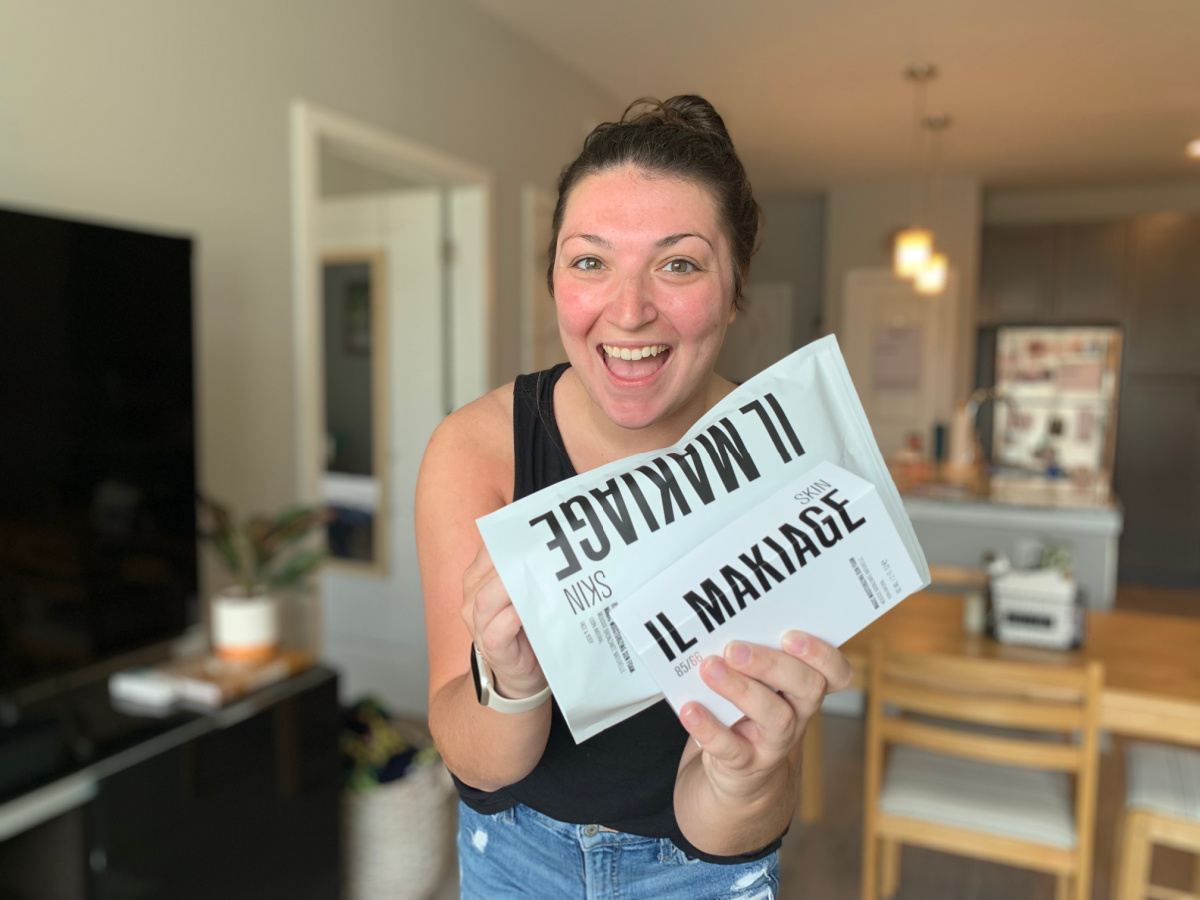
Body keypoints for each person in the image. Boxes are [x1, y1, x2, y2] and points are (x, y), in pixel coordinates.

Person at [415, 95, 852, 900]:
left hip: (697, 874)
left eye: (678, 263)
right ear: (554, 275)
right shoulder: (474, 451)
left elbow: (726, 821)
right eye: (590, 260)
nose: (628, 309)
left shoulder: (786, 473)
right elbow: (472, 756)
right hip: (511, 853)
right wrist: (511, 685)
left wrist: (744, 776)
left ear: (734, 286)